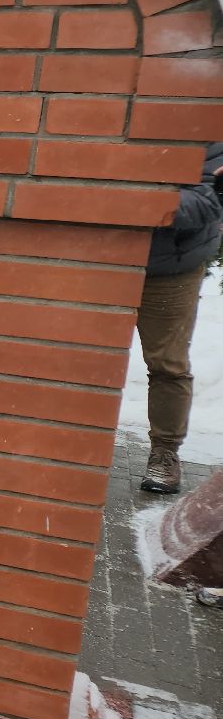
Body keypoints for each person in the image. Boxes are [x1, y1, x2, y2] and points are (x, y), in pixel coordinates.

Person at [137, 142, 223, 494]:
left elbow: (208, 202)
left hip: (171, 266)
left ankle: (165, 453)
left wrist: (131, 194)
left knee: (167, 364)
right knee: (83, 357)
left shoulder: (207, 130)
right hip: (104, 257)